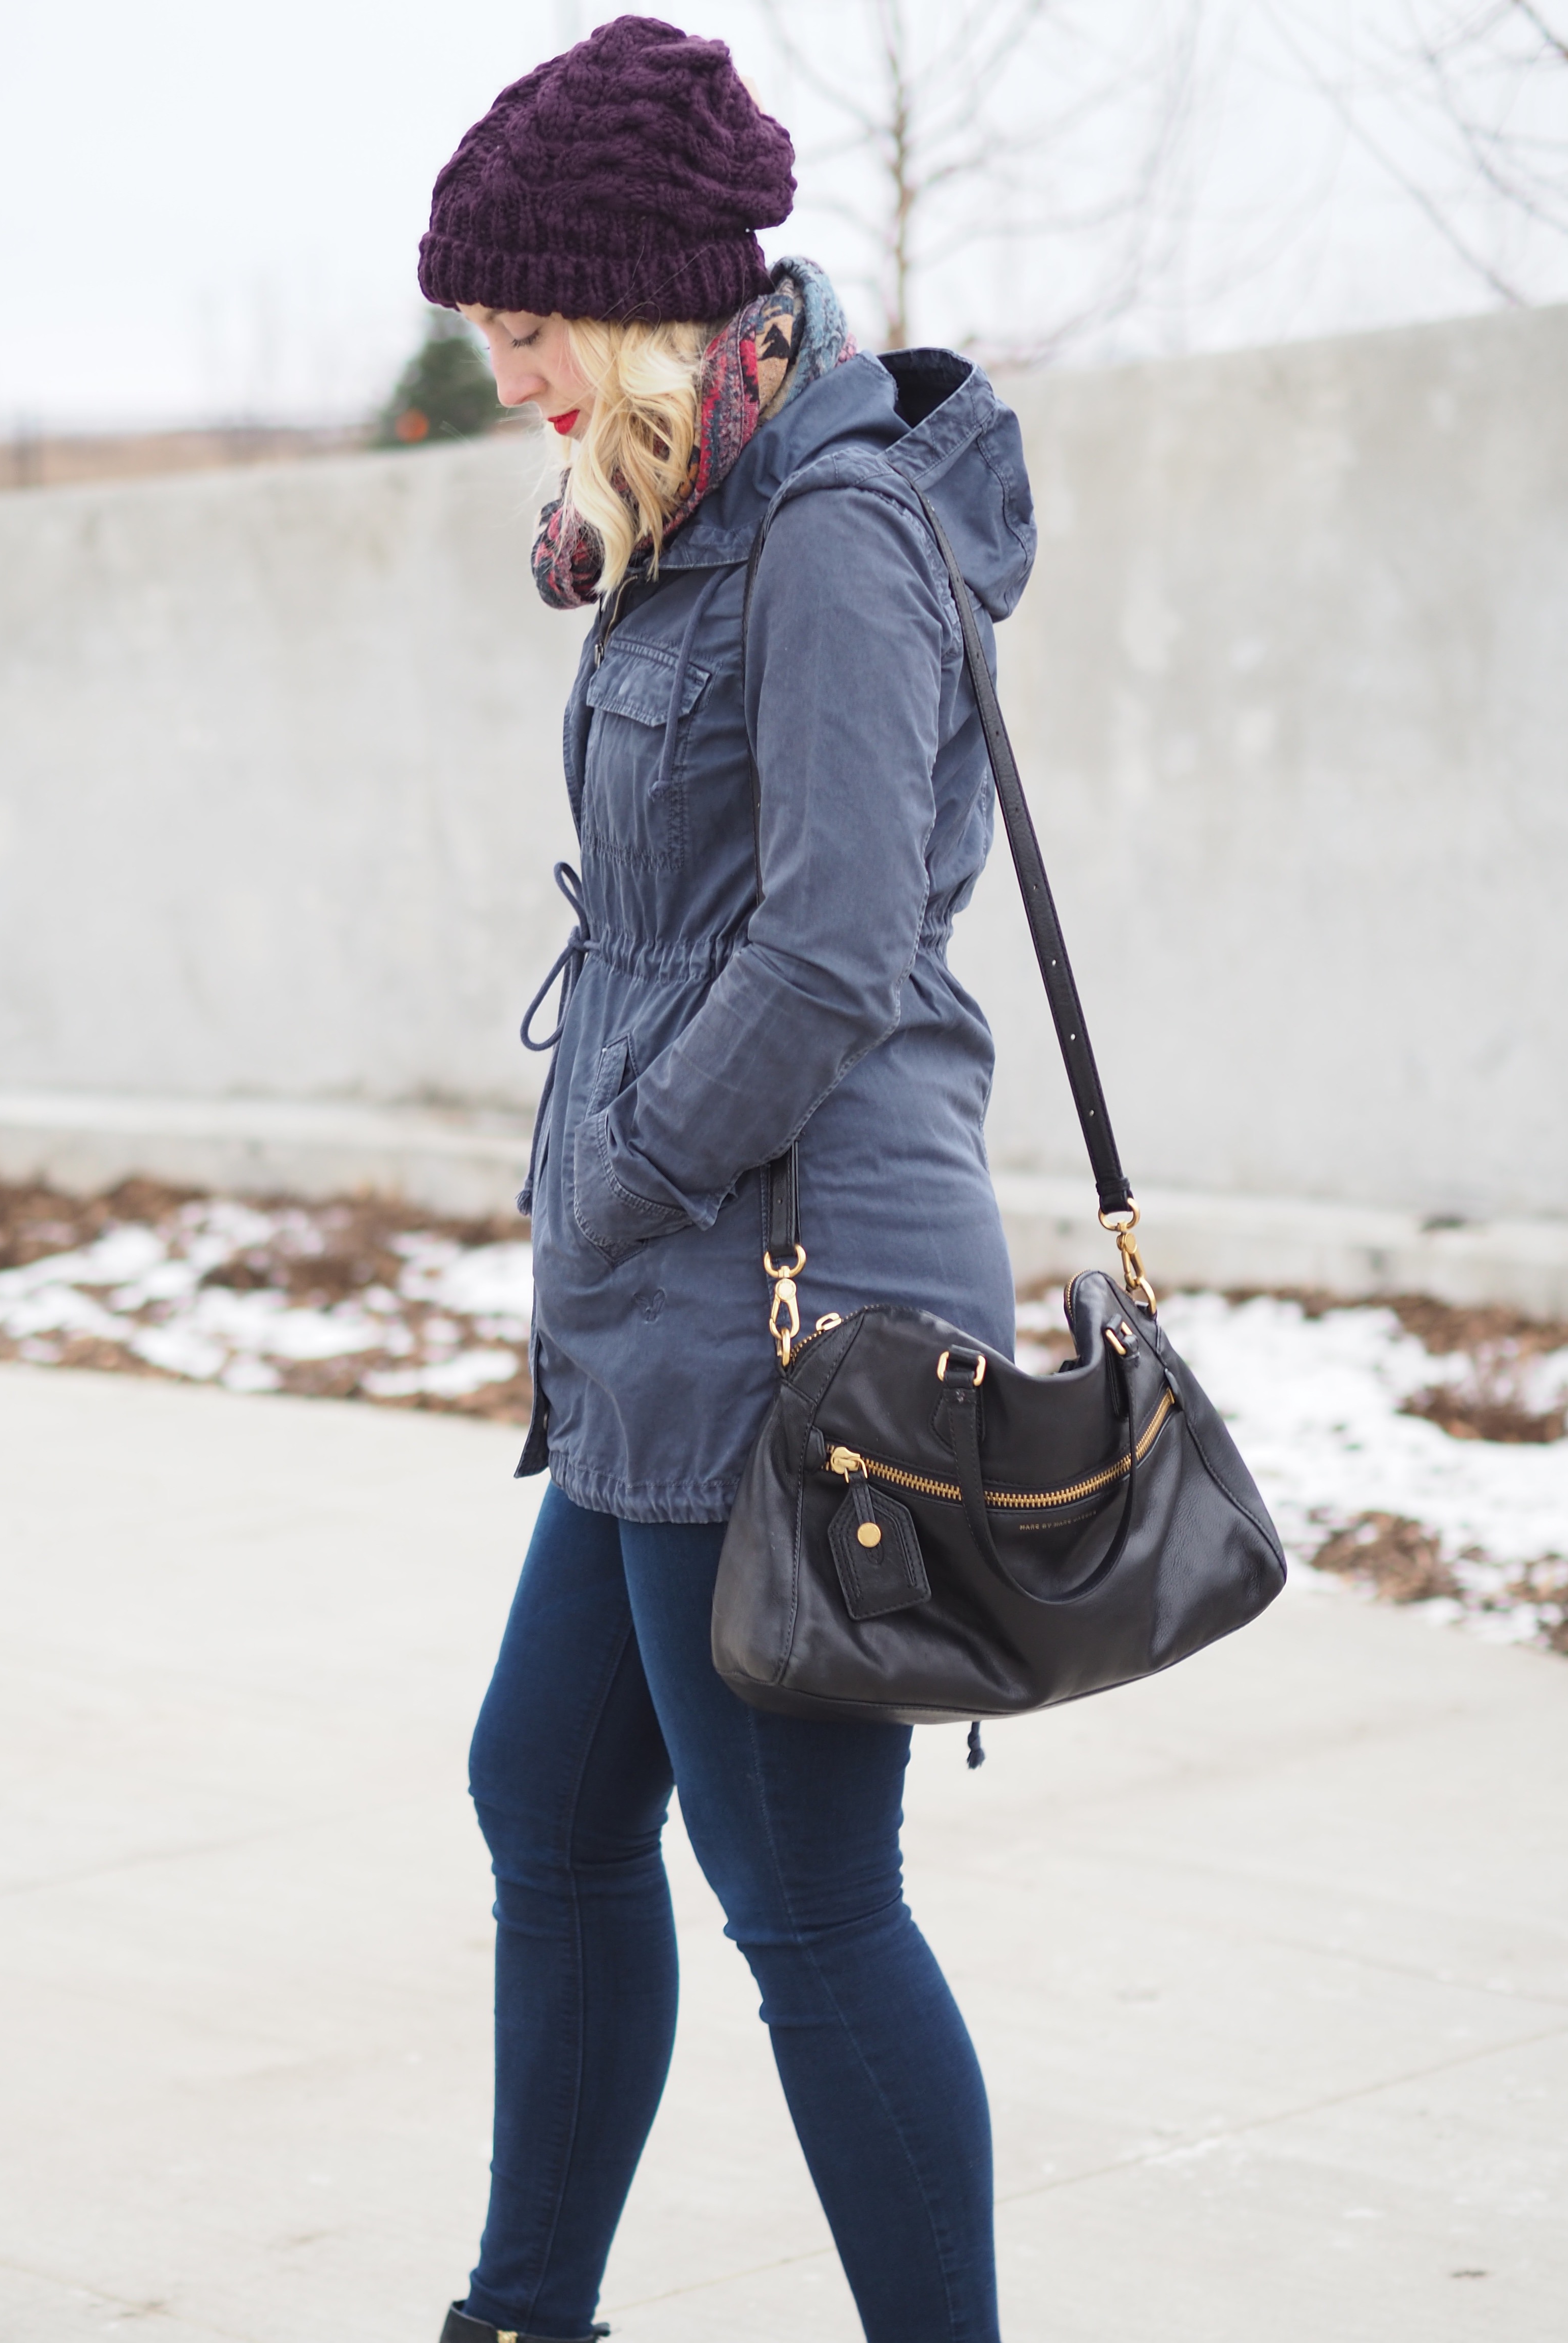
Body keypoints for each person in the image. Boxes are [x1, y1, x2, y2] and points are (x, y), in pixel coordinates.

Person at [417, 19, 1035, 2342]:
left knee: (805, 1897)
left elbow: (838, 949)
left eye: (525, 331)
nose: (501, 375)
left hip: (788, 1295)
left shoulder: (840, 534)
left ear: (644, 307)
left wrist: (628, 1171)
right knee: (550, 1801)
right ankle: (521, 2314)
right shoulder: (700, 527)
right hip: (672, 1297)